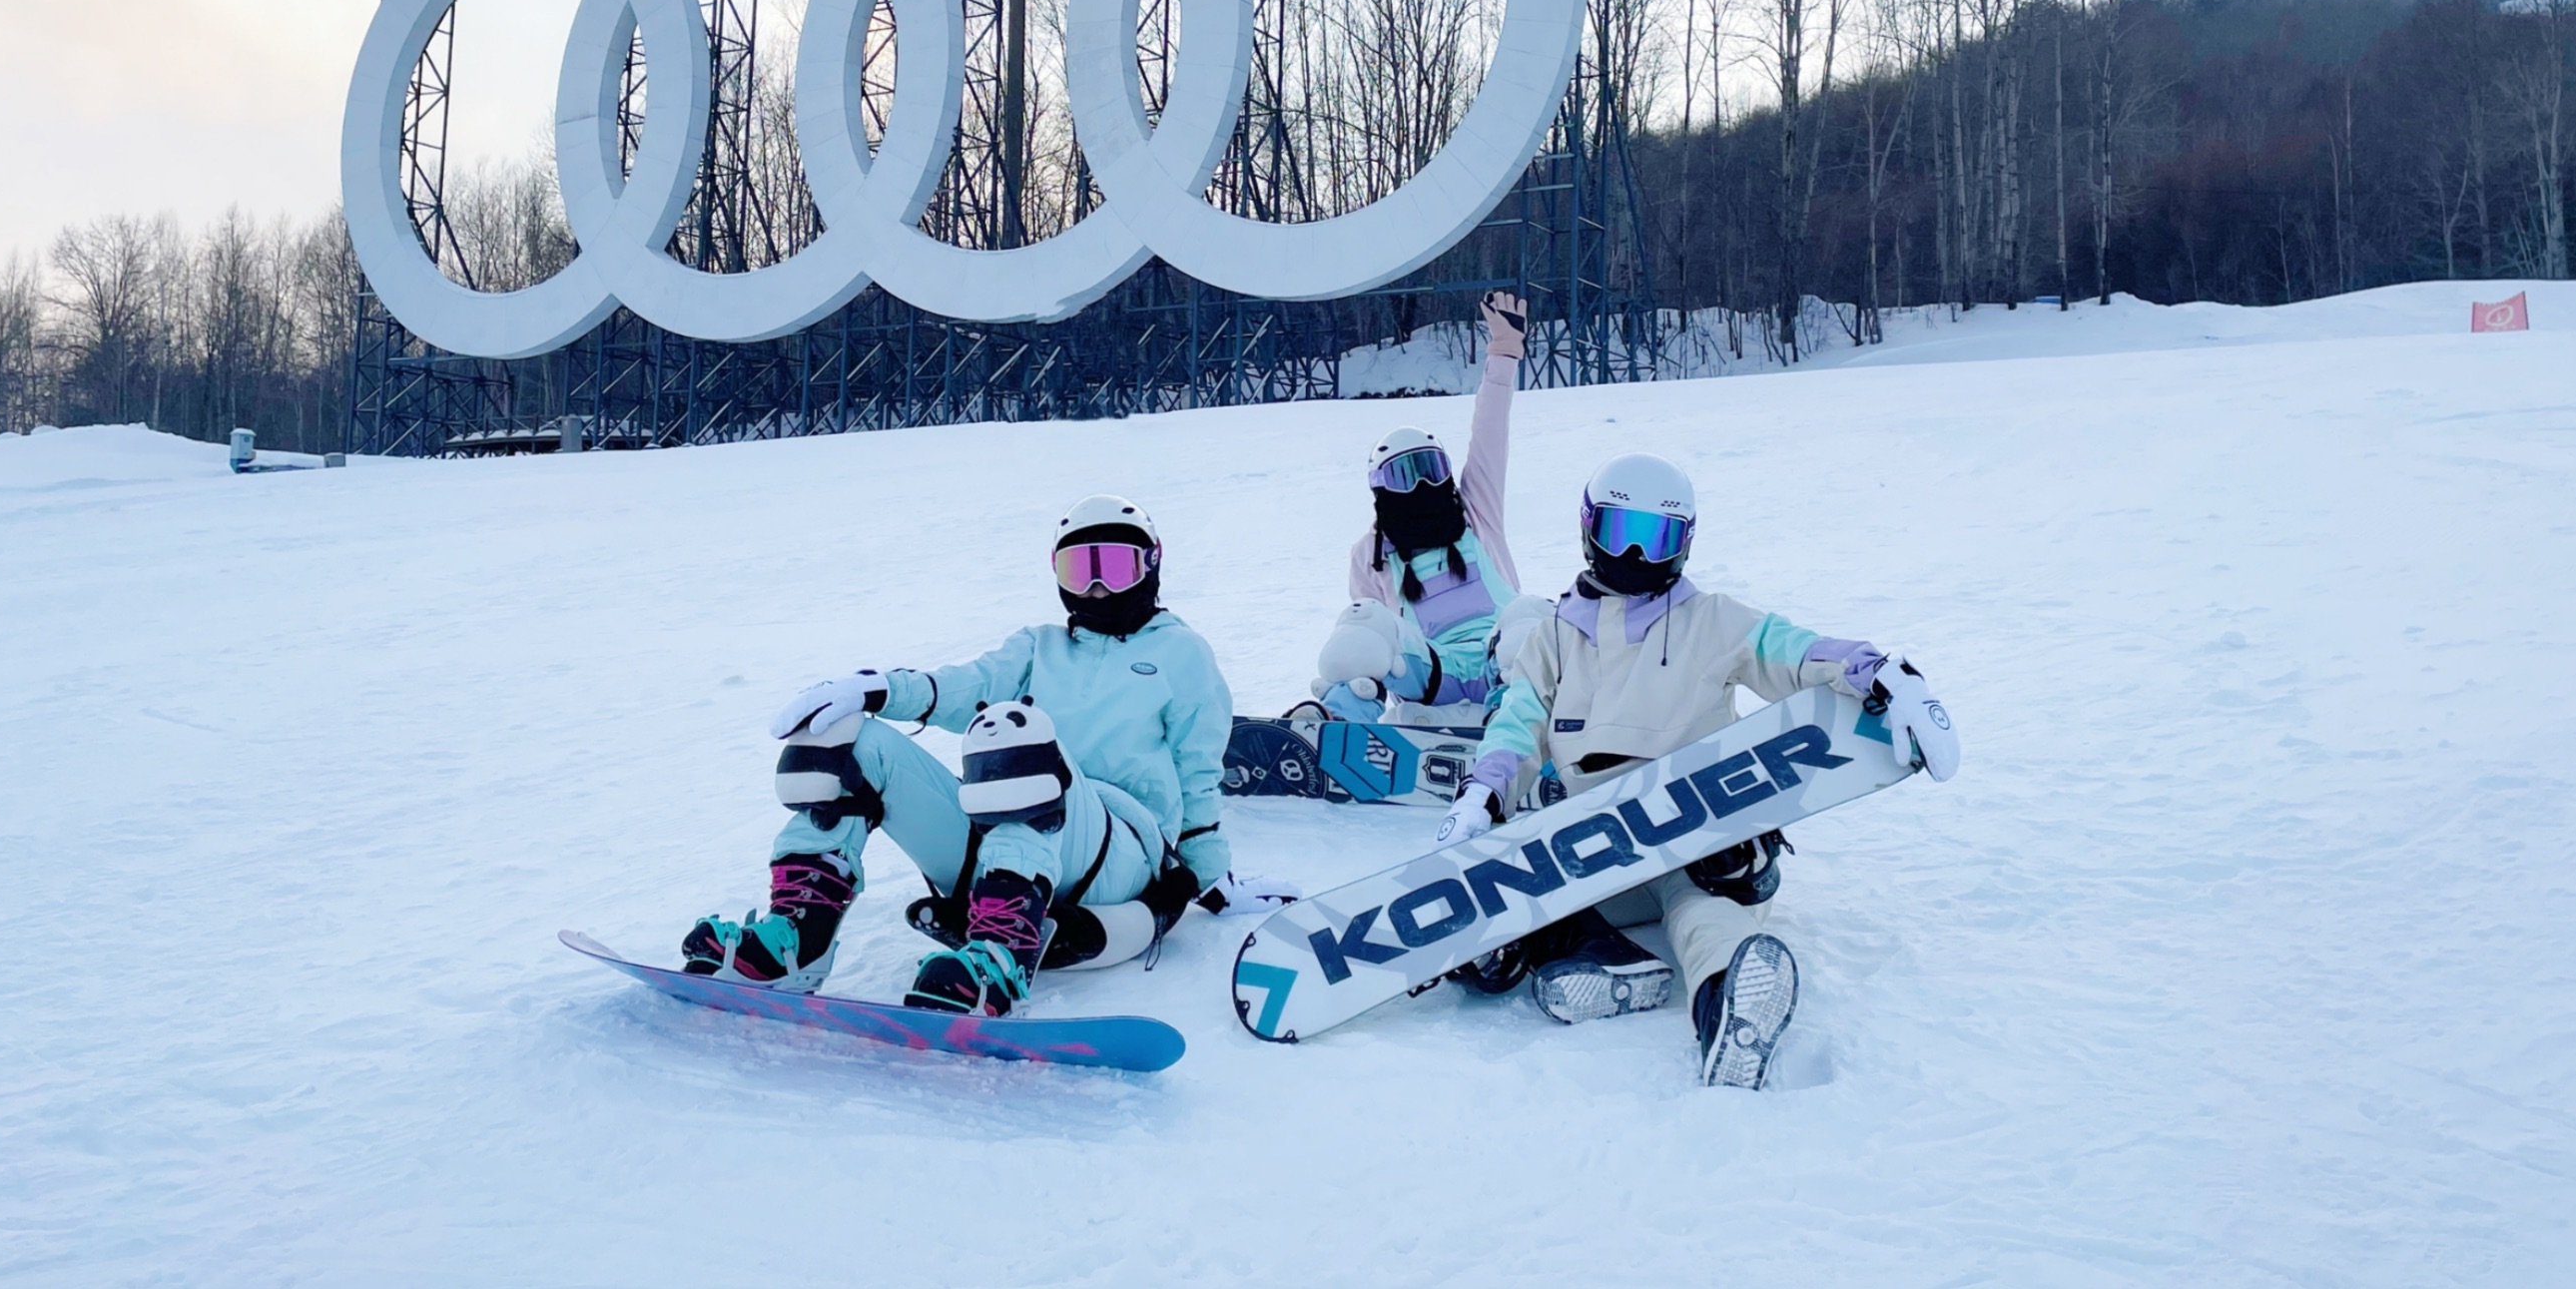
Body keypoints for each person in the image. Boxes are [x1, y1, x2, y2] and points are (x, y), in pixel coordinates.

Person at [1436, 452, 1961, 1088]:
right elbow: (1516, 725)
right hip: (1596, 843)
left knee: (1699, 906)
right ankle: (1611, 963)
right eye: (1619, 530)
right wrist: (1482, 795)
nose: (1633, 554)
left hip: (1702, 837)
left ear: (1682, 546)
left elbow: (1792, 652)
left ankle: (1727, 1003)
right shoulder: (1552, 638)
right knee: (1534, 892)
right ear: (1588, 528)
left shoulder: (1712, 621)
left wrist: (1877, 670)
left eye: (1654, 538)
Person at [684, 494, 1293, 1015]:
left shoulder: (1182, 653)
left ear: (1152, 568)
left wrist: (1206, 878)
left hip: (1120, 852)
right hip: (1011, 843)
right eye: (1081, 570)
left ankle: (999, 965)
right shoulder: (1039, 646)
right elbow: (964, 686)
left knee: (1014, 731)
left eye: (1117, 567)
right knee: (846, 739)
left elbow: (1198, 769)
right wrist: (874, 689)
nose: (1100, 586)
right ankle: (796, 943)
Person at [1307, 292, 1529, 725]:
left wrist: (1504, 352)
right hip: (1430, 676)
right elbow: (1376, 645)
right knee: (1363, 623)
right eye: (1404, 476)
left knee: (1532, 617)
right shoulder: (1370, 554)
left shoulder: (1476, 514)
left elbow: (1489, 432)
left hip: (1502, 665)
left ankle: (1517, 721)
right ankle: (1335, 724)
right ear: (1381, 491)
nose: (1422, 486)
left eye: (1430, 469)